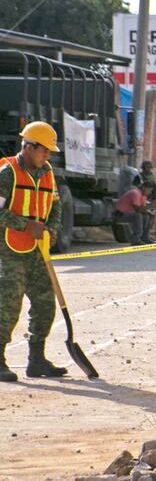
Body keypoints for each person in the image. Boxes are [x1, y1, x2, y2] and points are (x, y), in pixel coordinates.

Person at [0, 122, 65, 382]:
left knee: (45, 304)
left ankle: (36, 360)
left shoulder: (47, 172)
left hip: (38, 253)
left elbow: (56, 206)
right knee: (7, 306)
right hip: (9, 252)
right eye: (44, 150)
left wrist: (52, 230)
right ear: (28, 147)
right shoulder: (7, 173)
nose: (47, 155)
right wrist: (26, 225)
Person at [114, 180, 154, 245]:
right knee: (137, 215)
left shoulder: (143, 196)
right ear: (143, 188)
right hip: (120, 214)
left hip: (129, 213)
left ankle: (145, 237)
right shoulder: (135, 193)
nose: (149, 192)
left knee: (146, 216)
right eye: (149, 190)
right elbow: (137, 209)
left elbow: (143, 210)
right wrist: (151, 206)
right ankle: (135, 239)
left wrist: (150, 214)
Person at [139, 160, 156, 238]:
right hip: (143, 198)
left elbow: (155, 188)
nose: (148, 169)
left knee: (151, 217)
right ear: (143, 168)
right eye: (146, 167)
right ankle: (142, 235)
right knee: (144, 217)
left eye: (149, 167)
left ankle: (146, 235)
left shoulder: (151, 176)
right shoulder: (139, 176)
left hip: (151, 198)